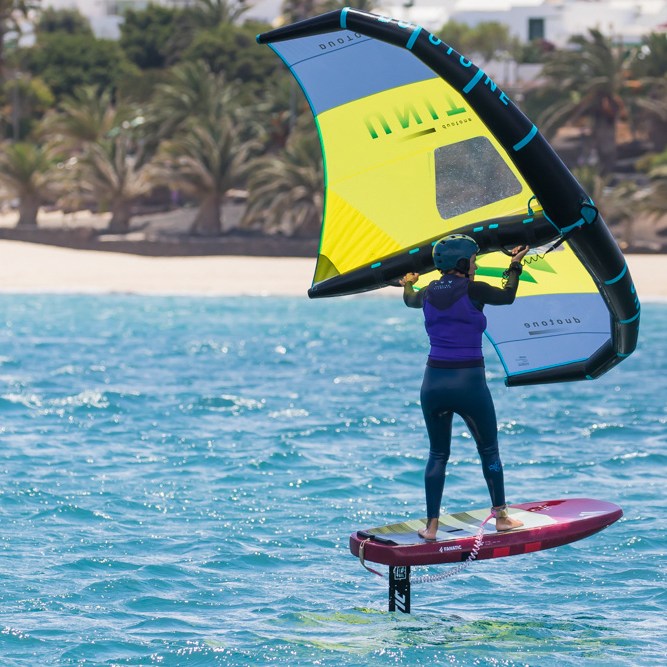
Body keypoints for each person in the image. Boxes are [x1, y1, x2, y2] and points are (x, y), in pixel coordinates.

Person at [399, 234, 529, 539]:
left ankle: (431, 527)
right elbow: (507, 296)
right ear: (461, 263)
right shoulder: (474, 289)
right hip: (468, 383)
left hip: (433, 384)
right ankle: (501, 518)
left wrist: (408, 283)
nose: (475, 265)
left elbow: (409, 299)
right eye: (473, 260)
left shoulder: (427, 292)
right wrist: (515, 264)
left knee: (437, 454)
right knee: (489, 450)